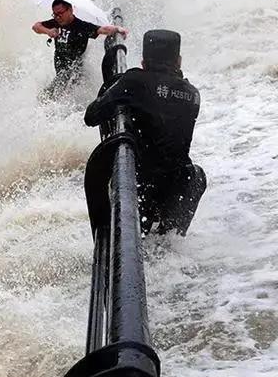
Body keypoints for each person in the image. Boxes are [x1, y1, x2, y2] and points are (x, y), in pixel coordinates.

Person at [84, 30, 206, 236]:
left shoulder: (135, 81)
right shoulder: (193, 94)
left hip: (139, 186)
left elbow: (92, 116)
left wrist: (118, 89)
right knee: (197, 174)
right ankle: (172, 238)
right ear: (178, 61)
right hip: (176, 187)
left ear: (143, 61)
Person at [32, 0, 127, 97]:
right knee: (51, 94)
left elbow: (102, 29)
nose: (57, 17)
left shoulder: (81, 26)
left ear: (70, 10)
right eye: (55, 14)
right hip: (60, 66)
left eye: (60, 13)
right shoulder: (55, 22)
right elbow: (36, 26)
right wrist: (48, 31)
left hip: (74, 68)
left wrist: (117, 29)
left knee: (50, 95)